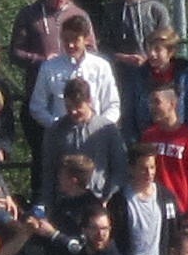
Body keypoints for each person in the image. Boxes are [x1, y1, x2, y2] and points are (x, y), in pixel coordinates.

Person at [9, 0, 95, 188]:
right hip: (39, 98)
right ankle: (42, 205)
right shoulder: (30, 15)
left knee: (79, 161)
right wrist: (41, 60)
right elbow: (15, 52)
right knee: (43, 160)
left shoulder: (78, 15)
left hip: (75, 102)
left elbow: (93, 49)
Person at [98, 0, 172, 127]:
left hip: (152, 78)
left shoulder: (155, 9)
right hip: (122, 77)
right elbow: (104, 47)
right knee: (126, 124)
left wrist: (148, 59)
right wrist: (122, 57)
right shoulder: (112, 10)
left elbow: (167, 43)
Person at [38, 77, 127, 211]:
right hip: (65, 202)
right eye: (68, 107)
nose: (73, 111)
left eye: (78, 106)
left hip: (100, 200)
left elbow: (119, 168)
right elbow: (49, 171)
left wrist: (108, 197)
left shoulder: (107, 129)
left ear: (89, 101)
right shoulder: (55, 130)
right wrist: (48, 206)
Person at [30, 17, 121, 131]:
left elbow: (113, 105)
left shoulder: (101, 67)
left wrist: (100, 127)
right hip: (62, 136)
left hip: (96, 135)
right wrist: (56, 125)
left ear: (86, 39)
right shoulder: (49, 67)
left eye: (75, 39)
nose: (70, 45)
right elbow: (37, 106)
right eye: (66, 40)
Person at [110, 142, 180, 255]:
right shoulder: (119, 202)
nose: (149, 173)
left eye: (152, 167)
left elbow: (175, 232)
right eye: (143, 168)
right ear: (131, 169)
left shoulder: (166, 198)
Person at [141, 85, 188, 212]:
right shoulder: (148, 136)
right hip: (154, 207)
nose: (152, 107)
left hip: (180, 208)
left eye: (157, 102)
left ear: (172, 104)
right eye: (151, 102)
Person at [128, 26, 188, 136]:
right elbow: (131, 114)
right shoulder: (139, 75)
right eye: (149, 48)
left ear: (170, 52)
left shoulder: (186, 76)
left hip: (178, 138)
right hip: (147, 139)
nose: (151, 54)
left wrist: (187, 139)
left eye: (157, 49)